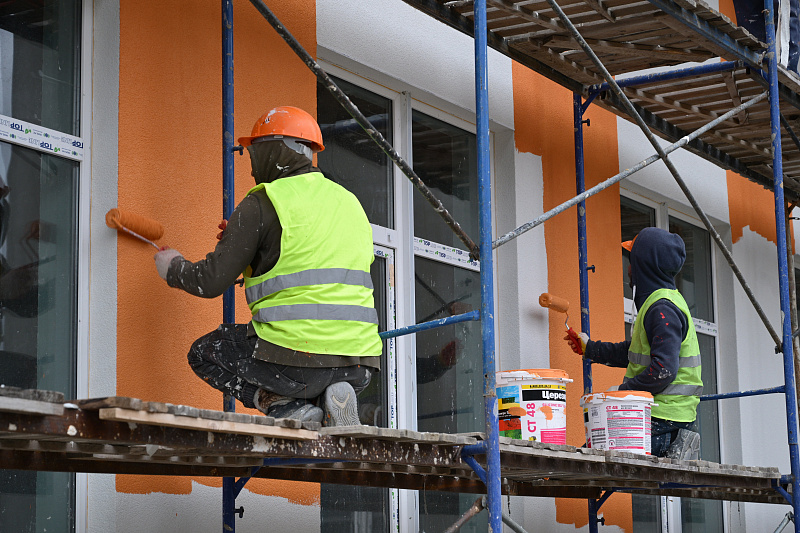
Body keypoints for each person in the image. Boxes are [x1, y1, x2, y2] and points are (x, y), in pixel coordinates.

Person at [153, 106, 382, 426]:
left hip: (296, 363)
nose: (251, 167)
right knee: (315, 372)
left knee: (204, 353)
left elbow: (210, 281)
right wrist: (254, 247)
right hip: (360, 366)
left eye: (253, 153)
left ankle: (285, 405)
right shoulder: (350, 202)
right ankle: (335, 397)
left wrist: (173, 268)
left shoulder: (266, 200)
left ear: (273, 150)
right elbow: (310, 259)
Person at [565, 227, 703, 459]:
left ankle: (674, 443)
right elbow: (635, 352)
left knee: (590, 460)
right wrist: (591, 349)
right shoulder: (663, 302)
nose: (628, 269)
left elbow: (663, 370)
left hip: (663, 421)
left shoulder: (661, 309)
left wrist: (622, 392)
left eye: (632, 261)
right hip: (664, 417)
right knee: (590, 457)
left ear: (644, 266)